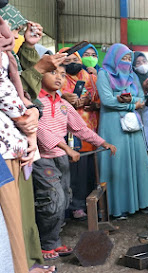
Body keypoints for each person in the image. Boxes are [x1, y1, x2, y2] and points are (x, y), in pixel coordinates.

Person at [1, 5, 65, 272]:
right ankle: (25, 263)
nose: (13, 33)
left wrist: (29, 47)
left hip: (19, 142)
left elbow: (22, 82)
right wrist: (27, 117)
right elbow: (20, 90)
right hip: (12, 140)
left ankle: (30, 260)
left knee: (24, 211)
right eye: (14, 29)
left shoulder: (10, 56)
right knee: (14, 216)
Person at [33, 64, 116, 260]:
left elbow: (81, 129)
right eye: (53, 73)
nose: (59, 78)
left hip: (60, 159)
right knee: (51, 201)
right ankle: (45, 244)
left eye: (62, 74)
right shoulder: (35, 101)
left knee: (64, 199)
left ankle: (53, 242)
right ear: (39, 74)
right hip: (43, 160)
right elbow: (40, 130)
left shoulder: (63, 104)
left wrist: (103, 142)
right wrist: (66, 148)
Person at [97, 43, 148, 219]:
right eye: (122, 58)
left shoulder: (132, 75)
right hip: (113, 125)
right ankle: (118, 207)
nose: (126, 62)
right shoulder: (103, 74)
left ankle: (146, 202)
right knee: (117, 164)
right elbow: (107, 100)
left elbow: (141, 97)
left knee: (139, 163)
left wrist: (133, 101)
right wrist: (132, 104)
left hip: (132, 124)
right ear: (113, 58)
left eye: (128, 59)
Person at [58, 48, 101, 220]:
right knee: (74, 172)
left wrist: (91, 102)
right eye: (66, 61)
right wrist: (65, 100)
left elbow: (99, 99)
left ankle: (90, 205)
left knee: (90, 171)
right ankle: (74, 207)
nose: (72, 64)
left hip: (91, 130)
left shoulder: (91, 77)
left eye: (74, 60)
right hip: (69, 133)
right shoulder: (59, 77)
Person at [132, 51, 148, 150]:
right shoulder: (131, 79)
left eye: (144, 61)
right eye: (138, 63)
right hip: (135, 114)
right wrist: (144, 90)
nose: (142, 65)